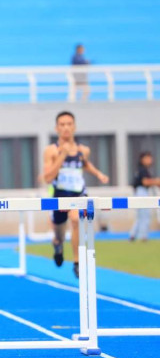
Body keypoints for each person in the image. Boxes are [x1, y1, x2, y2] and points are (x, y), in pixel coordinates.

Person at [41, 111, 109, 278]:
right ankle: (58, 243)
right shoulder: (51, 151)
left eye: (69, 124)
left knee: (75, 219)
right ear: (56, 128)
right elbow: (48, 178)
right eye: (62, 124)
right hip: (60, 194)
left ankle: (77, 261)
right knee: (59, 232)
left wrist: (99, 175)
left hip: (79, 193)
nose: (66, 128)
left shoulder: (83, 150)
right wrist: (62, 155)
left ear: (74, 127)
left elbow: (85, 165)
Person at [130, 152, 159, 242]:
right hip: (141, 192)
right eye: (148, 158)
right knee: (145, 215)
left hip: (141, 192)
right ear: (143, 159)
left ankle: (133, 235)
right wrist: (156, 181)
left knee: (141, 216)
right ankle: (143, 236)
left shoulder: (144, 169)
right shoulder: (142, 169)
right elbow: (145, 182)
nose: (150, 160)